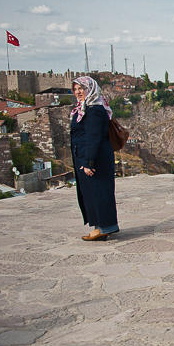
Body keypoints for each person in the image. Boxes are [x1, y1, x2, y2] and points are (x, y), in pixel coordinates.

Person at [70, 76, 119, 240]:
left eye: (81, 89)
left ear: (89, 89)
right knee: (94, 194)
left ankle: (103, 228)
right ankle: (101, 227)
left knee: (99, 194)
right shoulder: (86, 108)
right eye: (75, 89)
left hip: (94, 160)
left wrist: (88, 162)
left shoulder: (94, 110)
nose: (78, 92)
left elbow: (93, 137)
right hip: (89, 158)